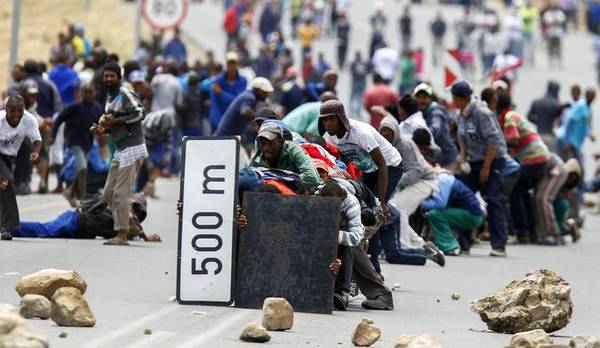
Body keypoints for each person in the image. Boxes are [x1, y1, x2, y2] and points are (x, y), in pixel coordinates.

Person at [90, 61, 148, 246]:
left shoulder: (125, 93)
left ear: (118, 77)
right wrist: (102, 130)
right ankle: (130, 223)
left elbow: (140, 112)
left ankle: (122, 233)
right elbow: (115, 126)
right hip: (121, 148)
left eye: (112, 76)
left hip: (132, 147)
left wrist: (116, 120)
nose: (108, 79)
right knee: (108, 193)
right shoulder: (110, 97)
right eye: (106, 76)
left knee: (120, 194)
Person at [452, 81, 510, 257]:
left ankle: (499, 244)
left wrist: (486, 168)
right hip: (474, 161)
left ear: (460, 98)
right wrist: (462, 159)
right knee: (464, 197)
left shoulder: (481, 113)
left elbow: (493, 140)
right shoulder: (460, 115)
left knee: (494, 199)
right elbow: (463, 139)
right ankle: (464, 243)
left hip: (493, 160)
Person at [319, 100, 402, 216]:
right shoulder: (333, 137)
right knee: (361, 201)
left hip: (389, 165)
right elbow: (346, 157)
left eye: (331, 119)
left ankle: (389, 215)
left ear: (341, 118)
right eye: (324, 120)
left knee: (376, 210)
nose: (327, 124)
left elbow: (382, 163)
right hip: (369, 169)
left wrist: (381, 202)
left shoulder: (360, 133)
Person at [378, 115, 439, 252]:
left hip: (424, 180)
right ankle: (422, 246)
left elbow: (416, 170)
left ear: (396, 131)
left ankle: (404, 247)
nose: (386, 133)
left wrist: (394, 182)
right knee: (395, 210)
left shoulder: (404, 144)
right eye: (383, 130)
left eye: (389, 130)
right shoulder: (382, 145)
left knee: (399, 208)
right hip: (408, 182)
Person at [496, 92, 550, 244]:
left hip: (533, 159)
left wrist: (498, 145)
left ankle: (522, 232)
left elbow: (512, 140)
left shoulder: (508, 118)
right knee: (523, 192)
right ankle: (531, 232)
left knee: (514, 192)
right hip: (538, 158)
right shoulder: (512, 115)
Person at [9, 193, 160, 242]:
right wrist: (144, 236)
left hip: (76, 225)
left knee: (44, 230)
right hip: (74, 221)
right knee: (43, 230)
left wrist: (144, 236)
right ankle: (8, 226)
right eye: (137, 211)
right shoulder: (120, 207)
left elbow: (131, 231)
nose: (136, 216)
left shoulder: (124, 223)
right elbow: (131, 221)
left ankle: (8, 226)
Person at [51, 84, 102, 207]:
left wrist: (101, 135)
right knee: (83, 168)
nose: (89, 95)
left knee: (81, 169)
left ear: (94, 93)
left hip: (88, 143)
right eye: (86, 92)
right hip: (75, 142)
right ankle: (83, 198)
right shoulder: (75, 107)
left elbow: (100, 123)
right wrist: (53, 135)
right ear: (81, 94)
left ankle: (69, 192)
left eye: (91, 92)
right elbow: (59, 119)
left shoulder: (96, 107)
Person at [0, 95, 42, 241]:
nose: (16, 114)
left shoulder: (29, 120)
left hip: (8, 158)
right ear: (6, 110)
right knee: (7, 182)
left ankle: (5, 225)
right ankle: (7, 226)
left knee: (3, 188)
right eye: (12, 111)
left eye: (19, 111)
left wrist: (35, 153)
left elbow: (37, 140)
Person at [318, 182, 363, 310]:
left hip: (348, 234)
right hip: (324, 234)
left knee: (346, 247)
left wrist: (331, 235)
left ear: (341, 200)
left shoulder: (352, 203)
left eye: (335, 204)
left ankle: (343, 292)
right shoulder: (317, 197)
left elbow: (355, 237)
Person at [421, 169, 484, 255]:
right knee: (439, 214)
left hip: (472, 215)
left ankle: (450, 247)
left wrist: (420, 202)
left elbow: (441, 203)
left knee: (435, 214)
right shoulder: (446, 177)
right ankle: (452, 245)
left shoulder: (442, 179)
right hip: (473, 214)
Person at [251, 123, 323, 193]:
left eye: (270, 143)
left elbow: (311, 177)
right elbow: (251, 179)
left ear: (281, 141)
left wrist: (289, 183)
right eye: (263, 143)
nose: (266, 148)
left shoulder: (293, 150)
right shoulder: (257, 158)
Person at [557, 88, 597, 198]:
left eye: (594, 96)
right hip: (569, 142)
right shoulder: (580, 106)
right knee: (573, 170)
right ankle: (575, 196)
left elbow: (587, 124)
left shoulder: (588, 109)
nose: (592, 98)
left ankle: (576, 196)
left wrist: (590, 134)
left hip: (576, 144)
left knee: (575, 171)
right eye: (590, 95)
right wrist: (567, 141)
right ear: (586, 95)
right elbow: (569, 122)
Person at [413, 83, 458, 167]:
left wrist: (418, 137)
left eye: (425, 97)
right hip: (437, 158)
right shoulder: (420, 113)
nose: (421, 100)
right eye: (418, 97)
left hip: (447, 158)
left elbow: (435, 128)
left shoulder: (436, 112)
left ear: (431, 99)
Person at [136, 109, 176, 197]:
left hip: (154, 143)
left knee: (159, 163)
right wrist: (150, 165)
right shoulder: (148, 126)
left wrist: (166, 158)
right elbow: (143, 149)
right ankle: (137, 192)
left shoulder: (167, 125)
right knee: (144, 168)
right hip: (140, 144)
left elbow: (168, 145)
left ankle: (149, 187)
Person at [208, 52, 247, 132]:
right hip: (219, 124)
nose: (232, 66)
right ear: (226, 64)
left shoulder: (242, 80)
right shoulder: (217, 80)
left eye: (234, 63)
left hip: (235, 124)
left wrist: (221, 93)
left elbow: (238, 101)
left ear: (237, 64)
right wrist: (220, 126)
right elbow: (214, 106)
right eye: (230, 63)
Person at [528, 81, 562, 150]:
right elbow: (560, 121)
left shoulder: (537, 102)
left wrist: (539, 122)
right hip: (550, 136)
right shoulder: (556, 104)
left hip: (539, 135)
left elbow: (529, 116)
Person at [543, 4, 566, 68]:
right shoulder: (547, 14)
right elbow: (547, 23)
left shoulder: (560, 13)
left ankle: (559, 62)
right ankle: (550, 62)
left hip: (558, 33)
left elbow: (561, 22)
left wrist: (554, 22)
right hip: (550, 33)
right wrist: (553, 22)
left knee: (558, 48)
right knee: (550, 48)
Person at [349, 52, 370, 117]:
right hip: (361, 82)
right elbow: (368, 71)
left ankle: (352, 111)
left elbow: (351, 71)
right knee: (360, 97)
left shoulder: (353, 63)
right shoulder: (364, 63)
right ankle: (356, 111)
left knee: (353, 97)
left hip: (355, 82)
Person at [520, 1, 538, 67]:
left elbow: (534, 18)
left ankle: (531, 62)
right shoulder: (522, 10)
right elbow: (522, 18)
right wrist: (528, 18)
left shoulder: (534, 10)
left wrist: (528, 18)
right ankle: (525, 62)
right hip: (524, 31)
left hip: (532, 31)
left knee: (532, 48)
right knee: (525, 48)